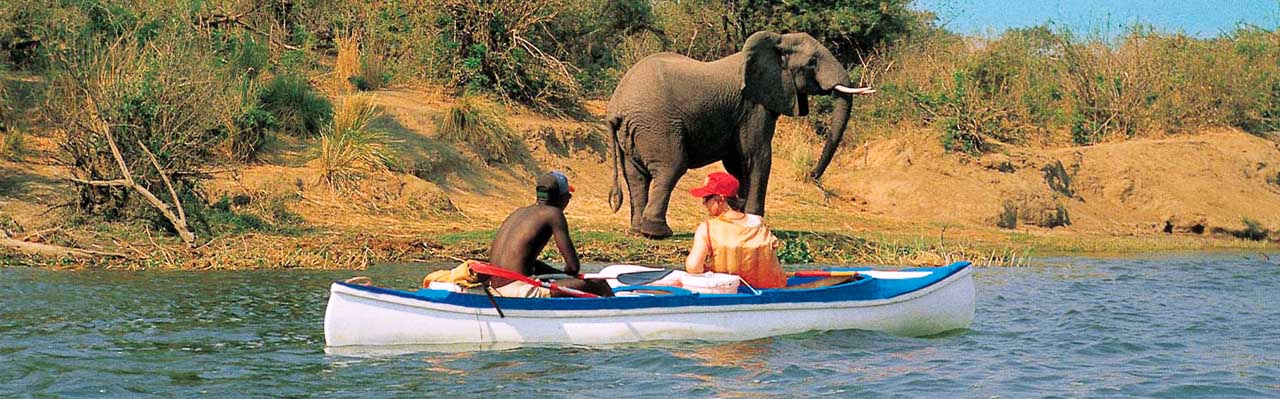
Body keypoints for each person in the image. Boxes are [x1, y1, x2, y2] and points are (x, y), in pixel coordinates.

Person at [485, 171, 614, 297]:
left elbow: (530, 264)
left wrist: (557, 274)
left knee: (548, 278)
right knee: (599, 284)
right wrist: (569, 275)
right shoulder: (553, 214)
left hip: (494, 288)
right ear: (563, 198)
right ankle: (619, 313)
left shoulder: (519, 213)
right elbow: (573, 267)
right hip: (518, 290)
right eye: (568, 195)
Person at [684, 172, 788, 289]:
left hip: (729, 292)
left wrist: (708, 271)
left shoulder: (707, 228)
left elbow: (693, 267)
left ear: (720, 199)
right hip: (770, 293)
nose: (703, 203)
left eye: (706, 198)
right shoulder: (759, 224)